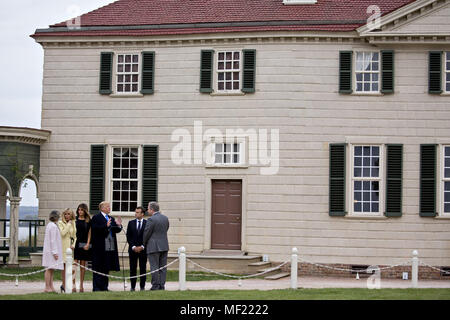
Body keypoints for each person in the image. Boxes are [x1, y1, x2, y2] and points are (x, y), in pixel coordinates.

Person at [91, 201, 122, 292]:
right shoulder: (96, 218)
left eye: (109, 206)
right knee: (98, 267)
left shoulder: (111, 218)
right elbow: (95, 229)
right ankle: (97, 287)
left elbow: (115, 230)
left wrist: (119, 225)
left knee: (106, 266)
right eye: (107, 206)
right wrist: (105, 225)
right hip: (99, 246)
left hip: (110, 245)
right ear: (102, 208)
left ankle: (105, 287)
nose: (109, 208)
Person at [143, 201, 169, 290]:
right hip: (164, 245)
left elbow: (147, 233)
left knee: (154, 267)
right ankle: (162, 285)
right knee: (163, 267)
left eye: (148, 208)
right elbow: (166, 229)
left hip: (153, 246)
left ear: (152, 209)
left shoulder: (151, 219)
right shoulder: (165, 218)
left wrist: (144, 243)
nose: (147, 210)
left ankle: (155, 285)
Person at [126, 206, 147, 291]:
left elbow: (147, 237)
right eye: (135, 212)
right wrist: (133, 247)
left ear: (142, 214)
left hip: (143, 250)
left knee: (143, 269)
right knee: (132, 269)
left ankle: (142, 287)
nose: (136, 213)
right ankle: (132, 286)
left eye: (138, 212)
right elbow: (128, 236)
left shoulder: (147, 223)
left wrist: (142, 246)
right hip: (133, 250)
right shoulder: (131, 223)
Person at [42, 210, 64, 293]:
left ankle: (51, 286)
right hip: (51, 251)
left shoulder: (51, 225)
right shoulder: (53, 226)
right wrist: (55, 252)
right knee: (49, 269)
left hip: (50, 250)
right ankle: (47, 287)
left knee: (51, 269)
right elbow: (53, 240)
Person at [57, 208, 77, 293]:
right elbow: (62, 233)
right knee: (64, 268)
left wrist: (73, 244)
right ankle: (64, 285)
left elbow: (75, 236)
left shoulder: (73, 223)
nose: (67, 216)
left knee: (71, 267)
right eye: (65, 214)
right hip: (63, 247)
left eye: (69, 214)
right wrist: (68, 224)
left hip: (71, 248)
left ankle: (71, 285)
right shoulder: (60, 223)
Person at [74, 203, 92, 293]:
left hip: (84, 244)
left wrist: (88, 244)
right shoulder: (75, 220)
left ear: (85, 210)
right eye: (79, 210)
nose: (80, 211)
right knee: (74, 265)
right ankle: (73, 285)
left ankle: (81, 285)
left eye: (81, 210)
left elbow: (89, 233)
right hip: (76, 244)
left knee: (83, 266)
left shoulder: (88, 220)